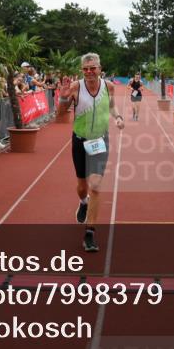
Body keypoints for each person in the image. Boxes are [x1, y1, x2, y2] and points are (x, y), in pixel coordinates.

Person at [57, 53, 125, 253]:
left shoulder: (109, 87)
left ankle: (90, 233)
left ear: (99, 67)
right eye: (85, 69)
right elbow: (60, 114)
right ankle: (83, 202)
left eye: (92, 68)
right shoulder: (76, 87)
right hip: (79, 140)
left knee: (95, 185)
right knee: (82, 186)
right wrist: (63, 96)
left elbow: (111, 106)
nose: (89, 72)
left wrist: (118, 117)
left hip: (100, 141)